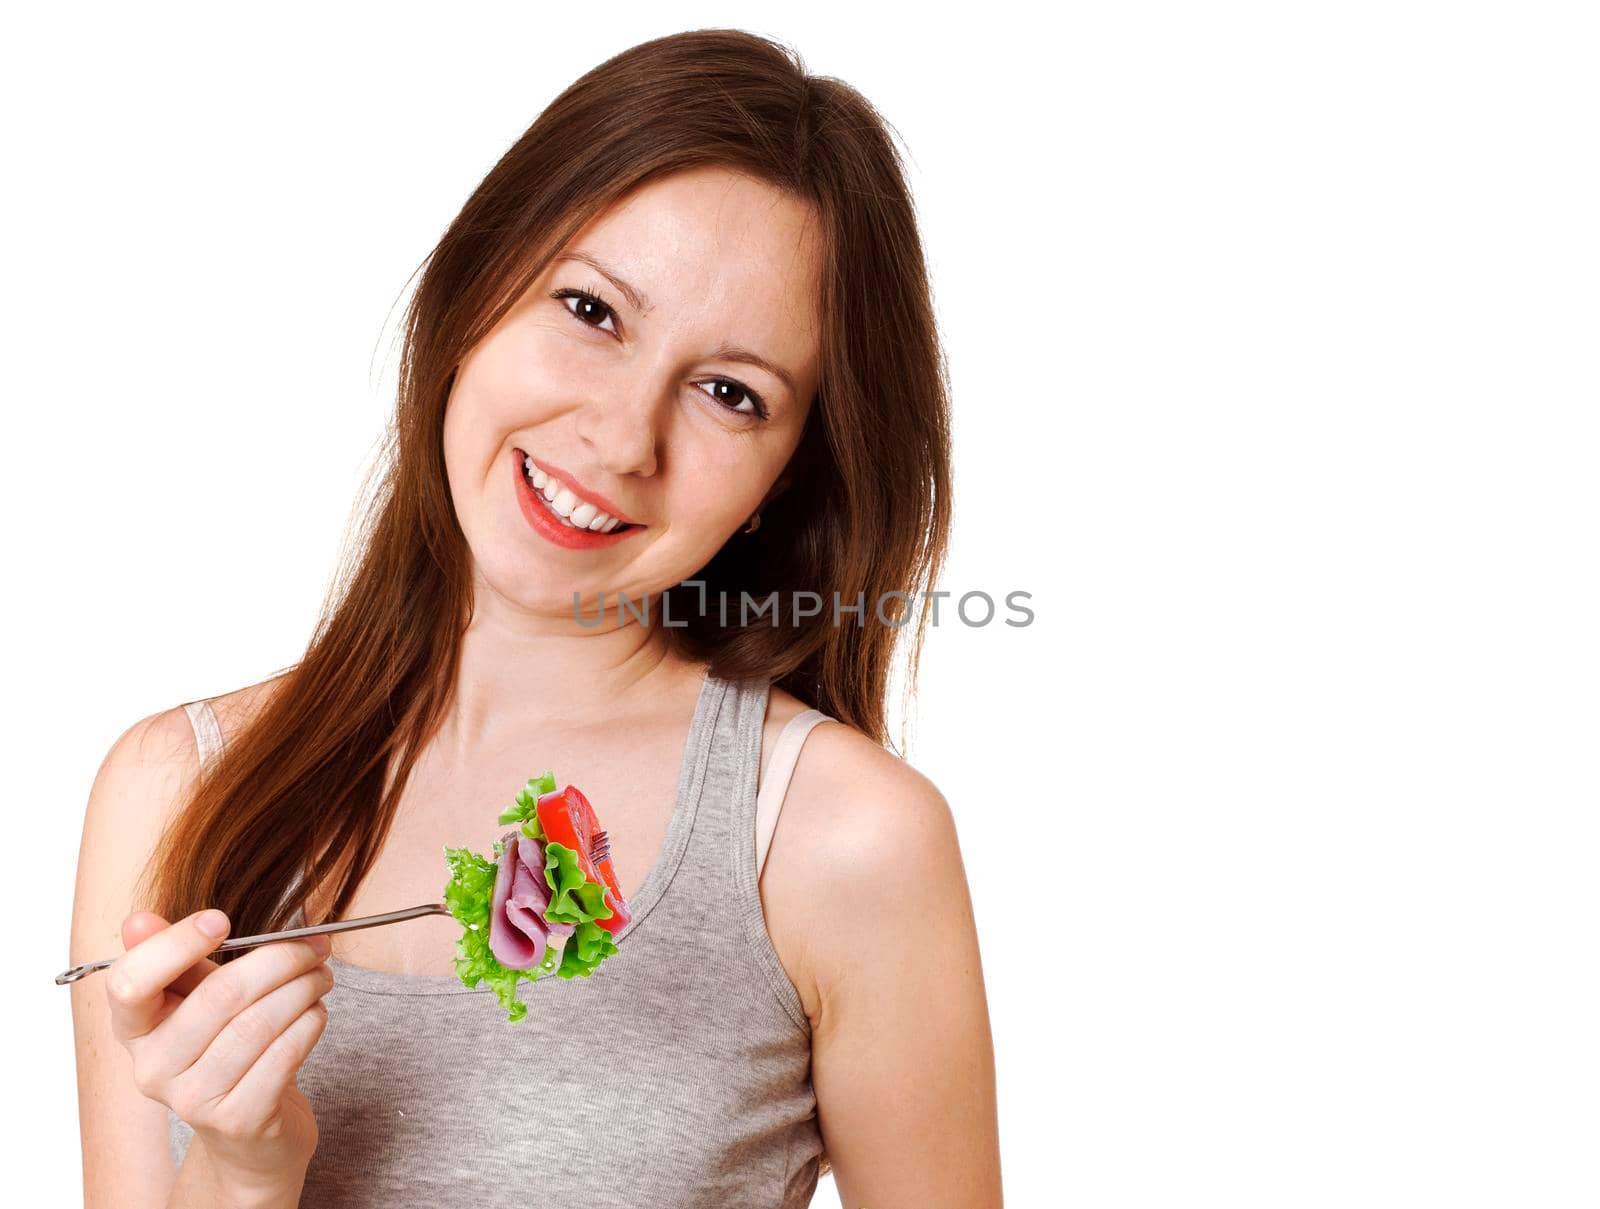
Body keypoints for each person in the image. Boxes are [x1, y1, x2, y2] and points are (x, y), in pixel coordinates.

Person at [68, 28, 1001, 1209]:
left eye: (730, 393)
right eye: (591, 310)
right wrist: (247, 1174)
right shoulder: (175, 789)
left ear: (787, 479)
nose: (619, 439)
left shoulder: (843, 842)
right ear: (475, 289)